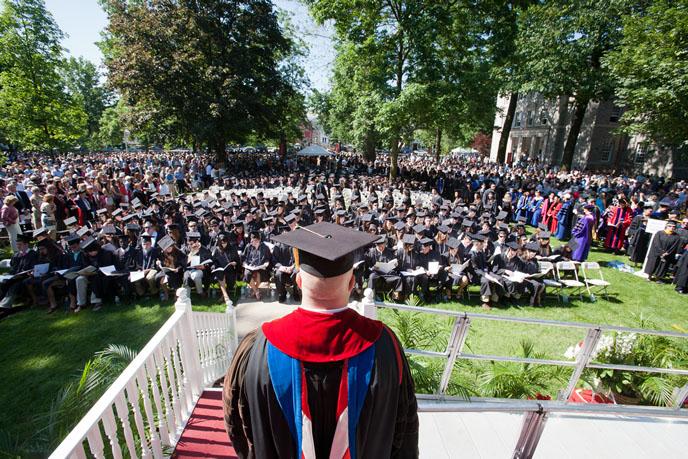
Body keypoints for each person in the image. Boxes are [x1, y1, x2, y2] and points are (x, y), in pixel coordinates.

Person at [223, 222, 419, 458]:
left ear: (299, 283)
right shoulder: (385, 345)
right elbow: (404, 429)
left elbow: (239, 426)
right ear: (351, 283)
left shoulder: (257, 347)